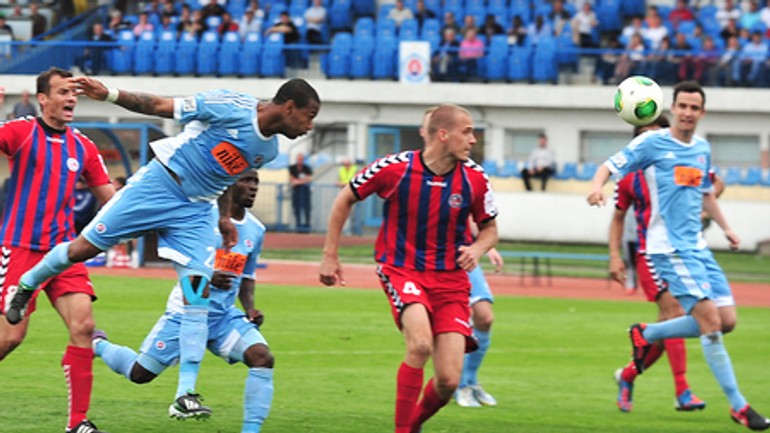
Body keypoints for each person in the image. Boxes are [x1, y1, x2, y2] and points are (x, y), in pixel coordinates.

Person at [6, 76, 320, 420]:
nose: (309, 126)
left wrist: (225, 218)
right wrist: (109, 94)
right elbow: (158, 105)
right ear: (289, 107)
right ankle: (27, 283)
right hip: (158, 186)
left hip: (196, 212)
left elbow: (227, 176)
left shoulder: (268, 150)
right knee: (82, 249)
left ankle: (185, 393)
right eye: (309, 116)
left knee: (196, 297)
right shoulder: (230, 106)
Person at [587, 81, 770, 431]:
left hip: (698, 250)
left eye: (694, 107)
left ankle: (647, 332)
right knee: (711, 323)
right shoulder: (652, 142)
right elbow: (609, 166)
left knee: (727, 320)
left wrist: (727, 227)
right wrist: (597, 187)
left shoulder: (701, 149)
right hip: (668, 250)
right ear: (672, 107)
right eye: (682, 106)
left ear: (702, 112)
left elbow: (706, 193)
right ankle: (739, 407)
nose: (687, 113)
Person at [320, 104, 499, 433]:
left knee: (448, 381)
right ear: (443, 135)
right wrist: (330, 254)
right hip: (403, 271)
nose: (473, 140)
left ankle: (411, 426)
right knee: (419, 345)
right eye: (467, 131)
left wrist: (478, 248)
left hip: (451, 282)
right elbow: (345, 197)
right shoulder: (396, 167)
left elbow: (490, 229)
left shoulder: (475, 177)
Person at [93, 170, 275, 432]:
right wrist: (207, 275)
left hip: (224, 316)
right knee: (140, 374)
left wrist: (250, 308)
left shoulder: (256, 229)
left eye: (256, 181)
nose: (253, 187)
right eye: (246, 180)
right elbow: (182, 258)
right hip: (185, 313)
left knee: (262, 358)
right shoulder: (203, 216)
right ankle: (98, 344)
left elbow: (247, 275)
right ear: (229, 186)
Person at [0, 67, 115, 433]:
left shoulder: (83, 146)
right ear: (43, 100)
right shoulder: (21, 131)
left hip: (63, 253)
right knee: (10, 337)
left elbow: (110, 200)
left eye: (74, 93)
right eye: (62, 92)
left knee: (84, 325)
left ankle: (77, 424)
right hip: (18, 249)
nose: (71, 98)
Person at [608, 114, 707, 413]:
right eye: (643, 135)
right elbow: (617, 218)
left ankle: (626, 376)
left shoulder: (679, 167)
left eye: (656, 133)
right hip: (648, 255)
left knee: (669, 328)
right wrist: (615, 255)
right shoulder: (628, 177)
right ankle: (682, 391)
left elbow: (709, 186)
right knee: (676, 311)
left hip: (682, 253)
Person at [289, 152, 313, 232]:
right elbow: (292, 180)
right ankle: (298, 226)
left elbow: (309, 179)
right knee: (297, 209)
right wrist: (303, 181)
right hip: (296, 192)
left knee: (307, 209)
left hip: (306, 192)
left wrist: (298, 182)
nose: (300, 160)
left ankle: (307, 226)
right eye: (298, 159)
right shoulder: (292, 168)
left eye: (301, 159)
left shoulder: (307, 168)